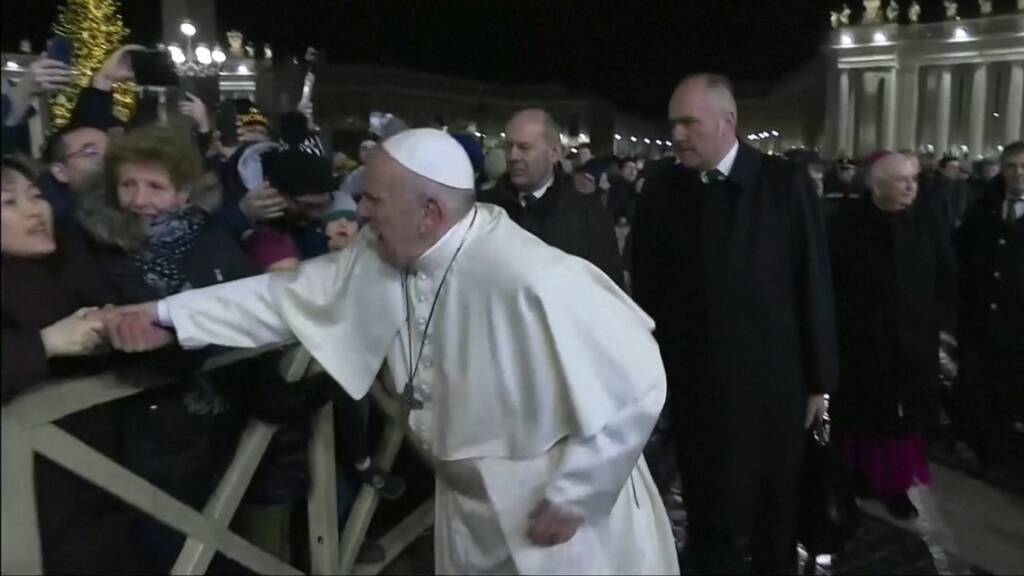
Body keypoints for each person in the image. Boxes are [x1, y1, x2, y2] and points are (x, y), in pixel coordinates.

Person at [105, 128, 679, 575]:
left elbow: (638, 380)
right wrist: (167, 315)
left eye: (374, 199)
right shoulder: (386, 254)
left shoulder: (531, 275)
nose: (361, 211)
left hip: (556, 514)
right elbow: (282, 298)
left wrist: (579, 493)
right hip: (467, 505)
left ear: (429, 212)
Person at [632, 74, 838, 574]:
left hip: (773, 385)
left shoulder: (783, 183)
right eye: (673, 123)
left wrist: (819, 383)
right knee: (706, 504)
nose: (678, 135)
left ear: (728, 122)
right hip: (695, 384)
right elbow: (646, 287)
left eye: (689, 123)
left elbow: (812, 282)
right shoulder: (661, 187)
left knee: (774, 513)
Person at [0, 155, 139, 573]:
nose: (34, 210)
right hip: (27, 501)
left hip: (104, 480)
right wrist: (44, 344)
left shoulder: (75, 258)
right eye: (9, 202)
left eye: (36, 195)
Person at [828, 152, 956, 520]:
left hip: (913, 344)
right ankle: (855, 479)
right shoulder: (847, 224)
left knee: (903, 423)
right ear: (877, 186)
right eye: (902, 181)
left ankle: (894, 487)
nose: (910, 187)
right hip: (862, 344)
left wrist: (933, 319)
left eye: (914, 180)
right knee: (860, 417)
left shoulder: (927, 222)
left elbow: (947, 276)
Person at [477, 108, 624, 286]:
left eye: (524, 147)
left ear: (554, 153)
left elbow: (608, 291)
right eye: (509, 147)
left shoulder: (589, 214)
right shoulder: (482, 209)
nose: (513, 156)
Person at [953, 141, 1024, 473]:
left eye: (1023, 167)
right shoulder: (982, 209)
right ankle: (982, 450)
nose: (1018, 174)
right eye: (1011, 166)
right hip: (980, 321)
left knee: (1011, 395)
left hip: (1017, 326)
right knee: (980, 392)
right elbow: (964, 257)